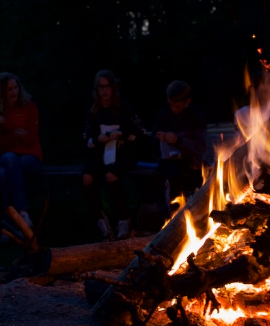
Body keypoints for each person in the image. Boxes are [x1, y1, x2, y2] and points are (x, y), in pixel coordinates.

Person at [83, 70, 144, 239]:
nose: (104, 90)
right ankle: (100, 220)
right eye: (101, 87)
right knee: (87, 177)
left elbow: (140, 131)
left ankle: (124, 220)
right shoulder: (92, 112)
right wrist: (97, 138)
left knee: (111, 175)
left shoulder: (124, 108)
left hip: (122, 152)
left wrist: (122, 133)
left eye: (107, 86)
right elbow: (85, 138)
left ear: (113, 88)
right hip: (100, 152)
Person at [0, 72, 43, 228]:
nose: (14, 92)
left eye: (15, 87)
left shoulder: (30, 107)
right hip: (8, 156)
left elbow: (30, 138)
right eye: (9, 89)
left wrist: (7, 127)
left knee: (5, 173)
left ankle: (8, 223)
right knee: (10, 159)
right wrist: (16, 134)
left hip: (30, 155)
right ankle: (23, 212)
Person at [153, 80, 207, 202]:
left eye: (177, 106)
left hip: (191, 162)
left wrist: (178, 140)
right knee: (171, 175)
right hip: (169, 162)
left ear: (187, 101)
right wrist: (160, 139)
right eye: (170, 104)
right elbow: (153, 142)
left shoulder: (195, 116)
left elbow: (201, 146)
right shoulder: (164, 115)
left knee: (199, 176)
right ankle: (173, 212)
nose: (173, 109)